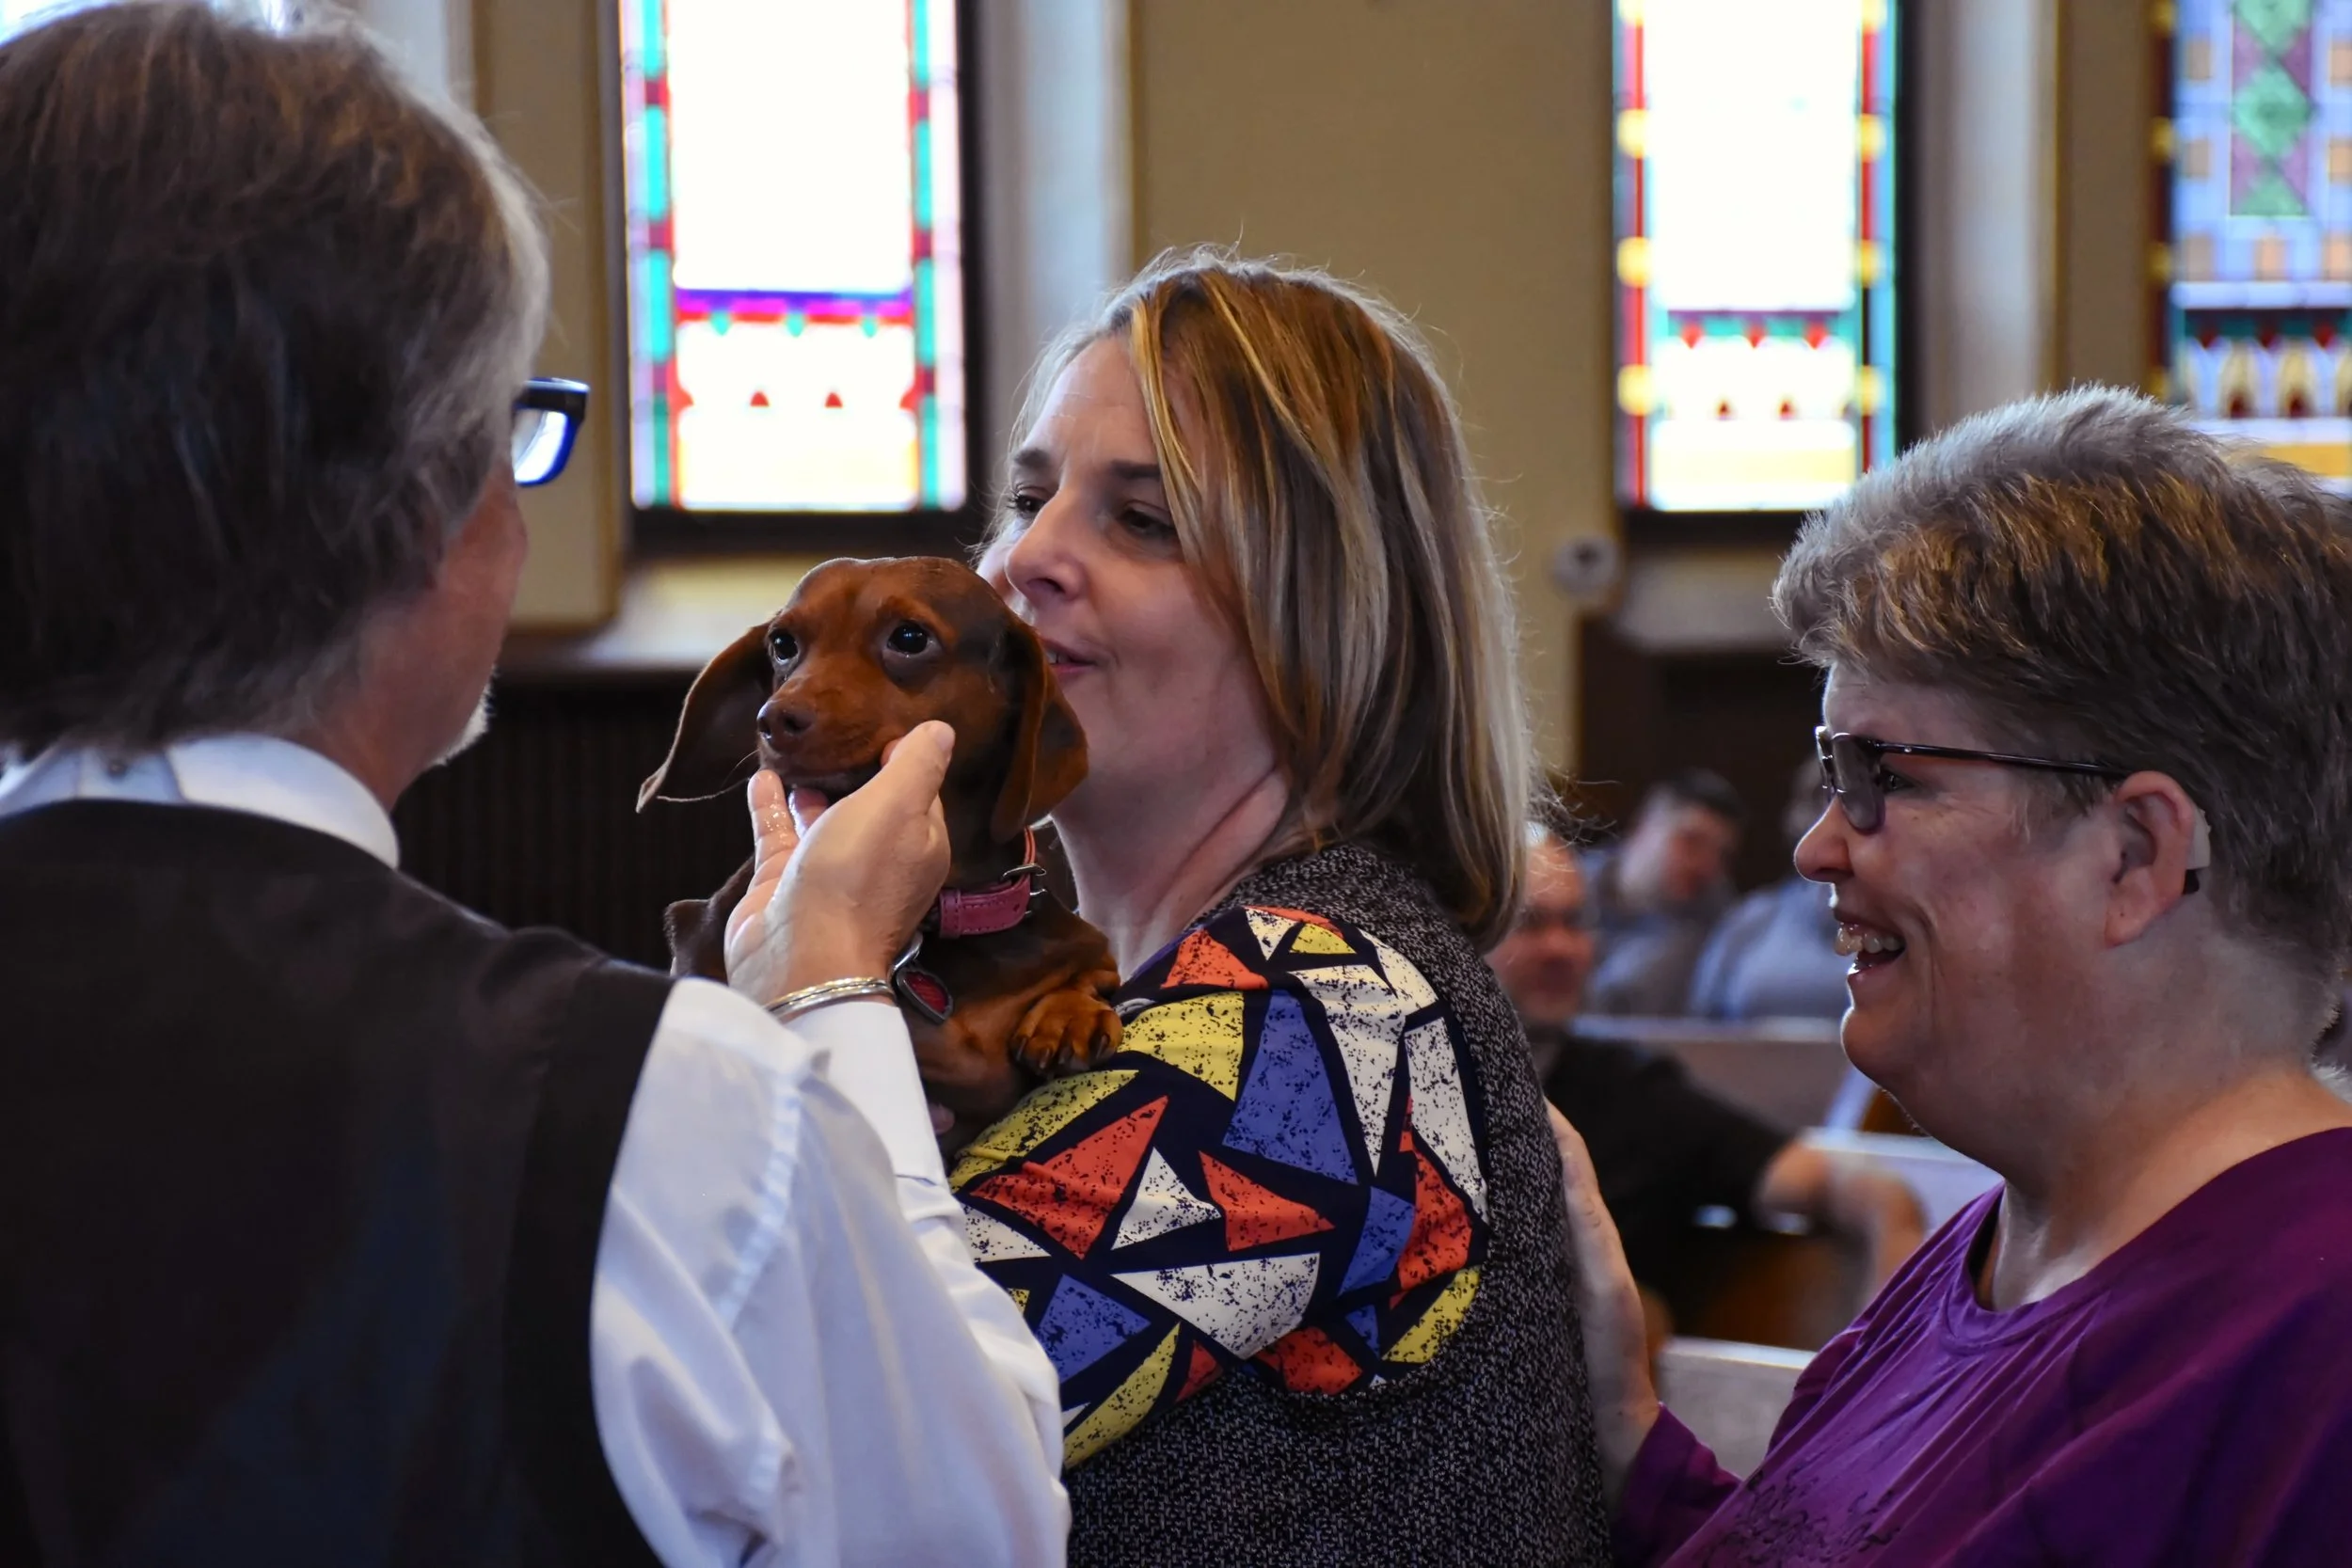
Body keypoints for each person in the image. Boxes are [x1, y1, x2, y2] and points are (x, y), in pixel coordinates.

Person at [0, 8, 1064, 1564]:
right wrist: (833, 991)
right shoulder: (657, 1120)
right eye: (514, 432)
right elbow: (972, 1527)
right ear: (436, 502)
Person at [1560, 388, 2352, 1565]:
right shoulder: (1993, 1244)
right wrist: (1622, 1431)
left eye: (1886, 776)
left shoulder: (2317, 1332)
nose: (1818, 846)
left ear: (2134, 854)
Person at [961, 249, 1610, 1565]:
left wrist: (811, 977)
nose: (1026, 557)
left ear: (1325, 614)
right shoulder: (1220, 985)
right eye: (1029, 499)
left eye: (1142, 520)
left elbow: (828, 1431)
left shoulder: (1318, 1011)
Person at [1492, 831, 1922, 1334]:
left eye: (1575, 922)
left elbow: (1870, 1193)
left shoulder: (1636, 1097)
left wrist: (1877, 1367)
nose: (1562, 948)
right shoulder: (1409, 1099)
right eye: (1530, 924)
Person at [1687, 759, 1851, 1021]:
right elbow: (1702, 1022)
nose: (1829, 817)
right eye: (1819, 799)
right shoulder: (1752, 919)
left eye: (1849, 801)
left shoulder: (1898, 924)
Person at [1581, 770, 1744, 1015]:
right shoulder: (1566, 884)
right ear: (1642, 828)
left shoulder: (1720, 926)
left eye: (1722, 855)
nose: (1706, 865)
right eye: (1692, 841)